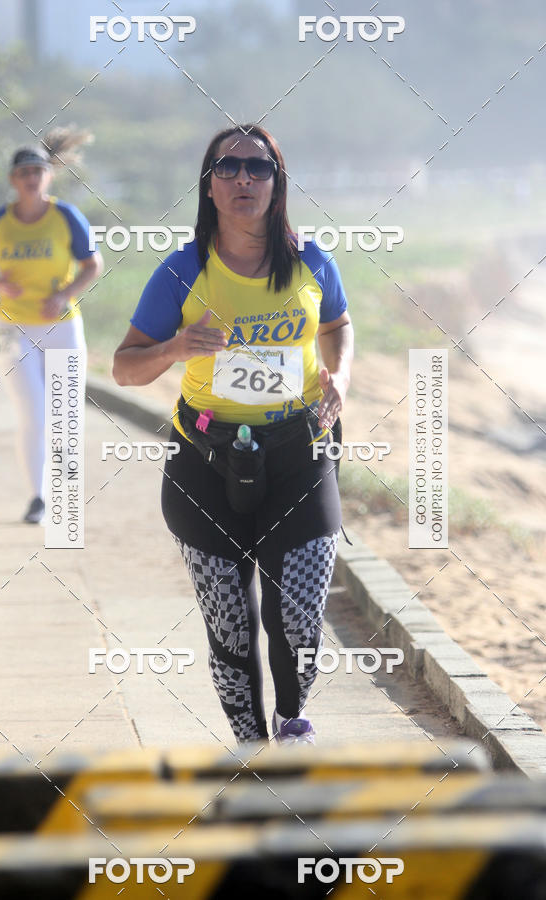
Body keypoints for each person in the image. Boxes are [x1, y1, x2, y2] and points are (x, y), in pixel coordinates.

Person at [114, 125, 353, 746]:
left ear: (278, 183)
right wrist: (174, 346)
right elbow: (124, 368)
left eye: (258, 167)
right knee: (230, 622)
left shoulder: (311, 259)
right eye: (228, 167)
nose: (243, 178)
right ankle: (250, 752)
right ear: (209, 186)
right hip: (205, 461)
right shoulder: (182, 271)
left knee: (297, 612)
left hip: (300, 453)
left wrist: (341, 375)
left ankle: (292, 724)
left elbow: (338, 324)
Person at [0, 128, 103, 522]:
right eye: (24, 172)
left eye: (38, 171)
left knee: (64, 414)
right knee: (32, 412)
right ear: (13, 180)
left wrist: (64, 294)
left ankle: (64, 496)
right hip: (13, 329)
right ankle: (37, 498)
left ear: (48, 176)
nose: (31, 178)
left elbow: (92, 265)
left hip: (62, 326)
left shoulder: (66, 217)